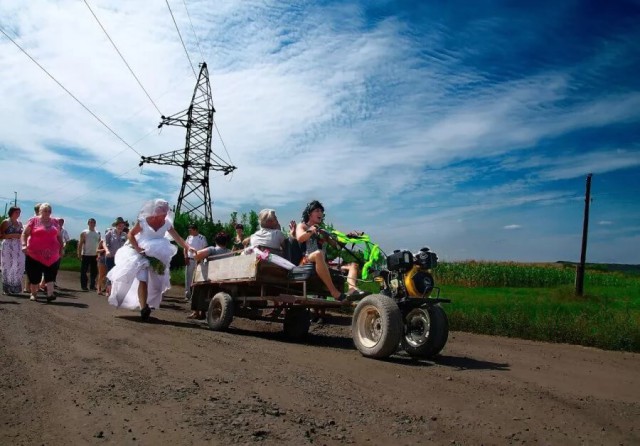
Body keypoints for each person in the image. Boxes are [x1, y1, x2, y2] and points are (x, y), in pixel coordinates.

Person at [107, 199, 195, 321]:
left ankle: (147, 302)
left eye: (165, 214)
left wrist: (188, 247)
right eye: (161, 214)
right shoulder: (143, 221)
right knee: (142, 278)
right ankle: (144, 308)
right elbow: (130, 234)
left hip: (158, 255)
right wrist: (137, 248)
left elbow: (178, 238)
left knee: (156, 283)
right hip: (141, 253)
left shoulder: (167, 224)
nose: (163, 216)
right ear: (154, 213)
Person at [20, 203, 64, 302]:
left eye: (49, 211)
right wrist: (23, 245)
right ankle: (34, 293)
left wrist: (62, 248)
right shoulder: (33, 220)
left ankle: (50, 294)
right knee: (34, 275)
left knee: (51, 274)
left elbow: (59, 236)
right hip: (35, 253)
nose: (47, 212)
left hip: (53, 254)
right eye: (45, 210)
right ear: (40, 211)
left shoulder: (55, 222)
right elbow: (25, 233)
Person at [190, 231, 231, 319]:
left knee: (197, 285)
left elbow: (196, 256)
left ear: (216, 241)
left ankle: (196, 312)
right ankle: (203, 312)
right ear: (226, 242)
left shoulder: (212, 249)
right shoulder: (230, 252)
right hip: (224, 276)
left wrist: (195, 252)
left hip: (211, 277)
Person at [0, 206, 25, 295]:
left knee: (18, 265)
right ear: (11, 213)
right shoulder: (6, 222)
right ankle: (6, 288)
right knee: (7, 265)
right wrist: (12, 235)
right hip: (7, 245)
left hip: (17, 246)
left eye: (19, 212)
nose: (18, 214)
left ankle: (14, 286)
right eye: (16, 212)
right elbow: (1, 236)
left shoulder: (20, 223)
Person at [184, 223, 208, 301]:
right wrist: (186, 257)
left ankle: (195, 296)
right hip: (190, 259)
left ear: (195, 230)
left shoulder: (202, 237)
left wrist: (201, 258)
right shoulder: (188, 237)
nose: (189, 231)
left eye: (190, 230)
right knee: (188, 277)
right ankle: (188, 294)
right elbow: (185, 247)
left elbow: (205, 248)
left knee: (197, 278)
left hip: (198, 260)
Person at [104, 217, 127, 296]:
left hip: (120, 259)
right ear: (116, 225)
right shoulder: (110, 233)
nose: (121, 227)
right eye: (119, 225)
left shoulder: (125, 235)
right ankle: (108, 290)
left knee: (118, 274)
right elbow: (104, 243)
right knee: (110, 273)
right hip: (111, 257)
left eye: (122, 225)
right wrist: (107, 251)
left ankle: (115, 291)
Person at [77, 218, 100, 291]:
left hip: (94, 255)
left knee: (94, 271)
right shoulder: (84, 232)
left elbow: (99, 244)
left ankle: (92, 285)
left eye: (93, 222)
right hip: (86, 254)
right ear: (88, 223)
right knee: (84, 271)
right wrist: (79, 253)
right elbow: (80, 244)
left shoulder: (98, 233)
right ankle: (84, 286)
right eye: (90, 222)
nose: (92, 224)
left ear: (95, 224)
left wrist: (99, 254)